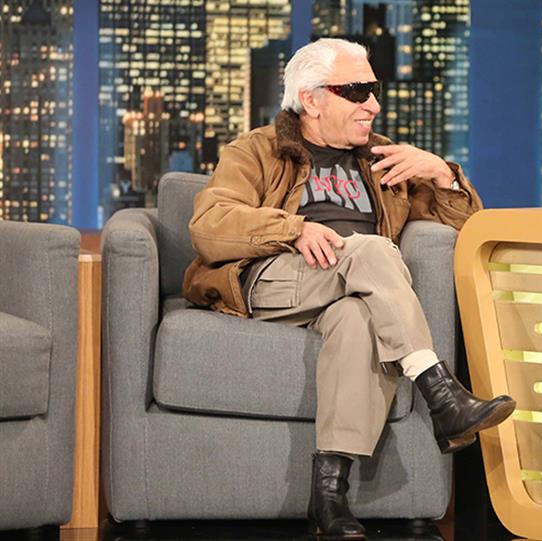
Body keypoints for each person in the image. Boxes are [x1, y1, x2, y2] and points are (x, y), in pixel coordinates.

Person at [183, 38, 515, 538]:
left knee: (358, 319)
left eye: (374, 90)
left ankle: (329, 497)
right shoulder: (256, 150)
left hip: (347, 289)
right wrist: (293, 229)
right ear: (311, 99)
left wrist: (443, 176)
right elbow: (209, 222)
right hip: (273, 279)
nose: (373, 105)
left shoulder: (383, 159)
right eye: (357, 91)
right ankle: (440, 393)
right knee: (372, 250)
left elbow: (469, 231)